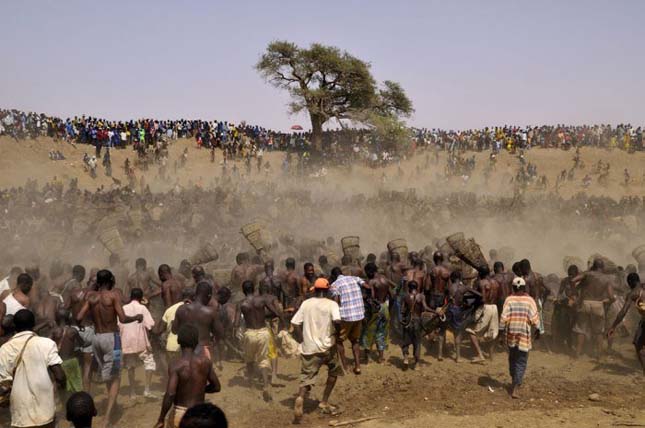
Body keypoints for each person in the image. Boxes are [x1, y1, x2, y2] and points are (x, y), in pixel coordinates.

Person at [76, 269, 143, 428]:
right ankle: (107, 418)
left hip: (96, 339)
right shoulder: (113, 296)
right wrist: (137, 317)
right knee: (115, 376)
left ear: (98, 282)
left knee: (108, 374)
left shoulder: (91, 297)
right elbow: (123, 318)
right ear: (111, 280)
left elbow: (79, 317)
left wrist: (89, 325)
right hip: (111, 338)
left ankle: (111, 407)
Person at [0, 309, 67, 428]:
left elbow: (3, 384)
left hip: (20, 412)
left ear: (15, 326)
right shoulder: (46, 344)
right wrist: (62, 396)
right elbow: (60, 376)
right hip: (46, 409)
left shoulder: (5, 349)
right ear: (34, 324)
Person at [291, 278, 342, 424]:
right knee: (333, 371)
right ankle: (324, 401)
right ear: (327, 291)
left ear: (315, 290)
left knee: (306, 378)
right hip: (328, 347)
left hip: (310, 349)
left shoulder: (306, 303)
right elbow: (337, 321)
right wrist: (337, 335)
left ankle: (300, 397)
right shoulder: (332, 304)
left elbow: (294, 323)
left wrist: (303, 340)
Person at [155, 324, 221, 428]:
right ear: (196, 342)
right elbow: (216, 387)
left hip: (181, 414)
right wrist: (199, 389)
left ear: (178, 341)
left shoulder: (176, 365)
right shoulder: (205, 362)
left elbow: (171, 393)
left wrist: (161, 418)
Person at [237, 280, 281, 401]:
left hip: (250, 333)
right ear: (254, 288)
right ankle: (266, 385)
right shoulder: (262, 300)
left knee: (249, 359)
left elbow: (236, 323)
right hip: (263, 332)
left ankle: (251, 384)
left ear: (243, 290)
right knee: (264, 360)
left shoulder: (241, 303)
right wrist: (262, 315)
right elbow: (275, 312)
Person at [500, 277, 540, 399]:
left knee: (512, 357)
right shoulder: (530, 300)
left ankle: (514, 379)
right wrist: (538, 329)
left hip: (511, 333)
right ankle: (516, 385)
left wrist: (501, 333)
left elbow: (504, 317)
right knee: (522, 360)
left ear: (513, 287)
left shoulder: (509, 299)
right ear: (524, 288)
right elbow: (534, 318)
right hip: (524, 333)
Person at [119, 287, 157, 399]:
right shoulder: (142, 308)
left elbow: (118, 325)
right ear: (141, 298)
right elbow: (150, 325)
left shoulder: (123, 308)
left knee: (130, 366)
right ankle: (147, 390)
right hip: (141, 341)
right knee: (149, 362)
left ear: (130, 297)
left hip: (126, 341)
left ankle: (132, 392)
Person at [571, 259, 614, 358]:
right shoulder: (606, 279)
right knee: (599, 331)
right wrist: (606, 301)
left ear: (593, 266)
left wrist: (575, 295)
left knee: (581, 330)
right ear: (602, 267)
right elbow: (611, 297)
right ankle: (599, 355)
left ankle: (577, 354)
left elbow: (573, 280)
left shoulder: (587, 274)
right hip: (598, 305)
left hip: (585, 303)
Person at [172, 281, 224, 362]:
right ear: (209, 296)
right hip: (203, 351)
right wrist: (214, 343)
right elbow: (220, 333)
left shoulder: (181, 309)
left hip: (185, 352)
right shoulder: (210, 312)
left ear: (195, 294)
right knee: (204, 374)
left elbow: (174, 330)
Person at [607, 272, 645, 375]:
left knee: (639, 346)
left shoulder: (633, 293)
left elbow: (623, 312)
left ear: (630, 282)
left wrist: (613, 326)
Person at [330, 272, 365, 374]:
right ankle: (358, 366)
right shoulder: (354, 278)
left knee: (339, 341)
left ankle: (345, 367)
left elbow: (336, 301)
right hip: (359, 315)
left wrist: (334, 315)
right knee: (355, 341)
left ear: (333, 276)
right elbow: (365, 284)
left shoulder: (335, 285)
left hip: (346, 317)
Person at [361, 262, 391, 364]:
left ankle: (367, 358)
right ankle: (381, 358)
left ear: (370, 272)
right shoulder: (385, 280)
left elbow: (372, 297)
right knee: (382, 333)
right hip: (385, 307)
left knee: (368, 332)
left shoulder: (372, 282)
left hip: (375, 309)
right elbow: (391, 294)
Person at [400, 280, 433, 370]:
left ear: (409, 287)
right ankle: (416, 364)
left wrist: (403, 319)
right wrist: (435, 311)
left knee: (405, 340)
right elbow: (425, 307)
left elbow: (402, 310)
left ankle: (406, 359)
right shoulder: (421, 296)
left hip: (407, 321)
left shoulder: (405, 296)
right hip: (417, 321)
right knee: (417, 342)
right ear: (417, 287)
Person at [50, 308, 83, 394]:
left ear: (56, 318)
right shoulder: (73, 331)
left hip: (58, 363)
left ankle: (62, 404)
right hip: (71, 362)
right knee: (75, 387)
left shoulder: (54, 331)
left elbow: (48, 344)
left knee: (61, 387)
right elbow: (82, 343)